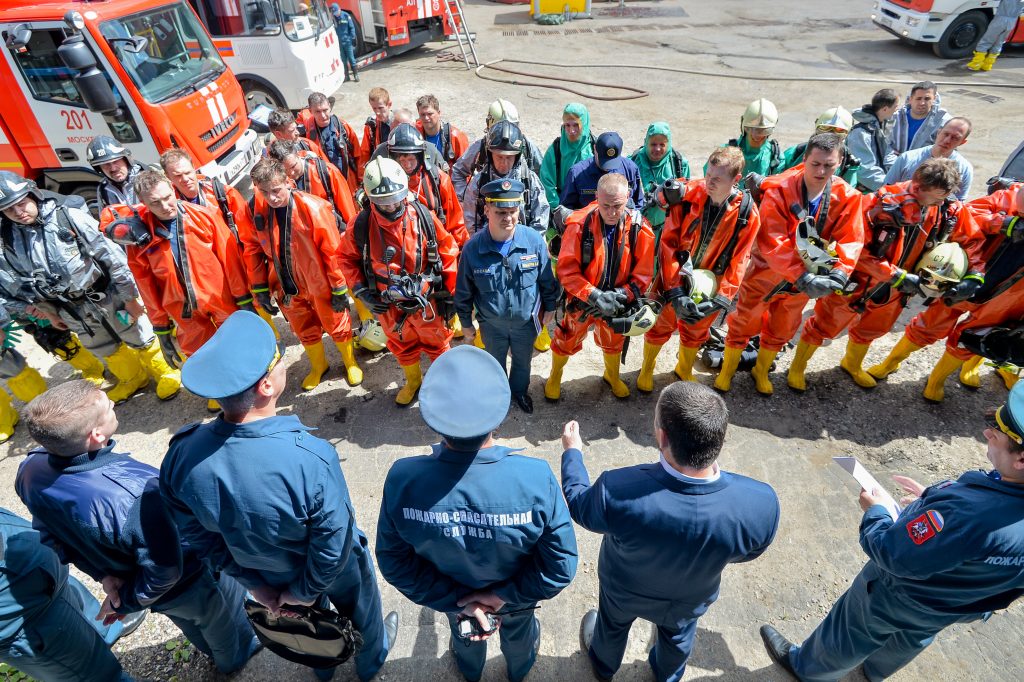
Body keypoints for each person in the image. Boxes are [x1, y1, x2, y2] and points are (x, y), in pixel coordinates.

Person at [160, 311, 398, 682]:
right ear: (266, 386)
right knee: (359, 606)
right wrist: (303, 591)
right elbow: (332, 542)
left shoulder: (180, 455)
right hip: (326, 570)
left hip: (259, 570)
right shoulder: (309, 457)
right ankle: (371, 661)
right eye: (278, 359)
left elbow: (196, 534)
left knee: (306, 623)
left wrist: (254, 583)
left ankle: (324, 669)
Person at [760, 380, 1024, 682]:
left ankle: (810, 670)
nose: (987, 432)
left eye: (997, 431)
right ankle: (875, 671)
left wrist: (877, 511)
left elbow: (891, 553)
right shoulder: (984, 508)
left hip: (900, 596)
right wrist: (938, 506)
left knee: (853, 631)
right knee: (914, 636)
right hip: (960, 604)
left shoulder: (968, 515)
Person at [16, 380, 260, 674]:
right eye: (108, 407)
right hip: (189, 580)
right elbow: (167, 570)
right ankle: (236, 657)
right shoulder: (138, 493)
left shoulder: (29, 470)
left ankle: (211, 649)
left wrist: (105, 574)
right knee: (220, 619)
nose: (114, 405)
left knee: (191, 622)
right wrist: (126, 602)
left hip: (138, 581)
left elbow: (50, 535)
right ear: (96, 435)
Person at [376, 345, 577, 682]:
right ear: (499, 414)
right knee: (519, 635)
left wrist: (458, 602)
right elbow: (561, 566)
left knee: (465, 634)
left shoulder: (403, 479)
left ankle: (470, 670)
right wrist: (501, 596)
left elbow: (394, 562)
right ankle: (520, 669)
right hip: (516, 597)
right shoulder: (535, 477)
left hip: (456, 597)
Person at [564, 382, 779, 682]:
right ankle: (667, 674)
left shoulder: (617, 489)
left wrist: (572, 454)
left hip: (624, 588)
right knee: (678, 636)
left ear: (662, 436)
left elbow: (579, 506)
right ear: (720, 438)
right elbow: (751, 550)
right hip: (691, 595)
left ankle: (603, 666)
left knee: (611, 626)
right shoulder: (760, 502)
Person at [795, 159, 984, 391]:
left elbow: (972, 240)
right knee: (825, 323)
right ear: (917, 187)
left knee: (873, 328)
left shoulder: (947, 209)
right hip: (861, 281)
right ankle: (797, 368)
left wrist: (974, 275)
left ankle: (851, 364)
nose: (940, 202)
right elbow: (854, 249)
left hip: (898, 288)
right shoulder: (878, 205)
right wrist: (896, 276)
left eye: (943, 197)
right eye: (936, 197)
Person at [0, 171, 181, 404]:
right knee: (103, 346)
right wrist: (51, 313)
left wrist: (130, 299)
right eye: (9, 209)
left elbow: (112, 257)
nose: (18, 212)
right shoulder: (9, 241)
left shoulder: (68, 217)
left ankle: (166, 372)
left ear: (33, 195)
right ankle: (132, 378)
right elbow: (27, 282)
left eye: (21, 203)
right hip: (71, 309)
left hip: (107, 294)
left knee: (138, 334)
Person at [714, 133, 864, 395]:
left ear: (839, 163)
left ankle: (761, 370)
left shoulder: (848, 197)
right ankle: (727, 372)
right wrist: (802, 276)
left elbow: (851, 238)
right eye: (815, 164)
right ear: (804, 160)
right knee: (744, 321)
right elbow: (773, 239)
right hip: (767, 273)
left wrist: (840, 274)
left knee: (783, 326)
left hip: (805, 281)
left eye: (828, 165)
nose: (821, 170)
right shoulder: (780, 189)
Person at [869, 181, 1024, 401]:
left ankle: (937, 380)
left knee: (971, 339)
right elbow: (967, 215)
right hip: (962, 278)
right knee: (929, 325)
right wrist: (1003, 222)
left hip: (1006, 297)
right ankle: (889, 363)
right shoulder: (1007, 197)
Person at [120, 170, 252, 410]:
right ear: (144, 204)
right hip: (181, 308)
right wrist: (161, 329)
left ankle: (246, 382)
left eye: (167, 197)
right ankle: (220, 390)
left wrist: (244, 299)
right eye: (155, 203)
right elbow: (146, 285)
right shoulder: (140, 237)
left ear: (172, 188)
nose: (165, 206)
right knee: (200, 352)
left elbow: (229, 258)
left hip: (219, 296)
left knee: (234, 342)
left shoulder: (204, 216)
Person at [338, 158, 459, 405]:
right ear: (370, 199)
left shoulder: (423, 217)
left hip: (427, 301)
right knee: (401, 344)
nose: (392, 205)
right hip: (387, 303)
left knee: (437, 342)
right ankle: (413, 381)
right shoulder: (361, 225)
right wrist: (362, 293)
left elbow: (448, 250)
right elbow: (345, 258)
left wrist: (451, 294)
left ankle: (444, 385)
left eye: (395, 198)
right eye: (383, 201)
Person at [638, 147, 759, 389]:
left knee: (697, 328)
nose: (708, 182)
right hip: (674, 278)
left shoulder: (747, 213)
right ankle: (647, 369)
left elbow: (740, 259)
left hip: (710, 285)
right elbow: (669, 243)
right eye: (708, 174)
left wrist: (722, 299)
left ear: (736, 180)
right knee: (660, 324)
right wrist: (674, 290)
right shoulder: (687, 196)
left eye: (716, 179)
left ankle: (684, 368)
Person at [245, 159, 363, 390]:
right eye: (265, 192)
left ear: (288, 182)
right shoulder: (256, 212)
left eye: (276, 190)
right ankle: (319, 366)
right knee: (303, 327)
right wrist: (259, 289)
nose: (272, 197)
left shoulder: (314, 209)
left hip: (319, 282)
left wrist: (339, 288)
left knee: (336, 322)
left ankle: (350, 362)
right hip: (286, 286)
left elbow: (332, 251)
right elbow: (253, 251)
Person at [0, 506, 144, 682]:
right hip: (26, 617)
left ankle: (105, 631)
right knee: (98, 677)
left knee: (77, 600)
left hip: (41, 572)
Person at [545, 173, 655, 400]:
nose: (612, 212)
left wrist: (618, 296)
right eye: (606, 206)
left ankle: (612, 376)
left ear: (628, 198)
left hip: (617, 304)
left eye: (618, 205)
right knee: (566, 338)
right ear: (596, 197)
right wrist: (593, 295)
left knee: (614, 341)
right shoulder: (578, 224)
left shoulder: (639, 228)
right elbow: (566, 271)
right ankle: (555, 375)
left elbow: (643, 275)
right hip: (582, 301)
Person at [454, 179, 560, 413]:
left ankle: (519, 392)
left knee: (523, 363)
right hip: (492, 326)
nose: (508, 218)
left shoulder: (533, 242)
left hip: (526, 324)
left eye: (513, 211)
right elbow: (463, 291)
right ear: (487, 210)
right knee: (494, 363)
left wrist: (551, 306)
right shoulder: (473, 249)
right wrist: (465, 323)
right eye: (501, 212)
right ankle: (498, 396)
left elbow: (546, 280)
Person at [159, 149, 279, 333]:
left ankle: (271, 339)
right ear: (168, 178)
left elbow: (249, 234)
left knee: (256, 305)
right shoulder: (166, 204)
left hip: (237, 264)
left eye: (187, 172)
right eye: (178, 175)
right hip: (208, 277)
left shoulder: (220, 193)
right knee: (228, 318)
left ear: (194, 168)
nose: (185, 179)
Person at [461, 121, 550, 235]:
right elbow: (472, 223)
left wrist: (530, 243)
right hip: (488, 243)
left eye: (509, 157)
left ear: (517, 156)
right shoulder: (478, 183)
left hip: (524, 243)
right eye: (499, 156)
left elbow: (541, 218)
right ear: (490, 154)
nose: (504, 162)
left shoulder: (529, 180)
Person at [386, 123, 468, 246]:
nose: (407, 165)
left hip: (433, 249)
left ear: (420, 156)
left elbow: (456, 224)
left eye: (411, 160)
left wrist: (463, 253)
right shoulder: (384, 183)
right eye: (402, 161)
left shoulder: (439, 179)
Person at [451, 99, 544, 199]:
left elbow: (542, 175)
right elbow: (459, 171)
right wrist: (464, 199)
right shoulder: (481, 146)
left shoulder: (528, 147)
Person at [267, 139, 357, 223]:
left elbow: (347, 208)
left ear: (298, 155)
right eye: (285, 170)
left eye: (293, 166)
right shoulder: (277, 181)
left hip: (329, 227)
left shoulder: (327, 172)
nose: (291, 173)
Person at [884, 117, 974, 200]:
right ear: (939, 132)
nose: (947, 140)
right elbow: (885, 190)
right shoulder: (907, 158)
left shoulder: (964, 169)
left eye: (955, 138)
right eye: (946, 134)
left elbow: (959, 203)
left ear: (962, 142)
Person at [560, 132, 645, 212]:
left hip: (622, 224)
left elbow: (639, 203)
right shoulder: (576, 173)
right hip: (587, 224)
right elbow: (565, 209)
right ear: (595, 149)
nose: (607, 169)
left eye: (612, 161)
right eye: (603, 160)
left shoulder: (631, 169)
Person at [630, 122, 690, 233]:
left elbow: (687, 198)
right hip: (638, 231)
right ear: (646, 142)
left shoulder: (679, 164)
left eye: (662, 145)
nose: (657, 149)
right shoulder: (632, 162)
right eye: (653, 144)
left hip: (668, 232)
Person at [777, 107, 860, 186]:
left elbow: (848, 191)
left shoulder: (849, 161)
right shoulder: (795, 152)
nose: (830, 134)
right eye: (825, 128)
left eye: (839, 131)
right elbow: (777, 179)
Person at [297, 92, 361, 192]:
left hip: (349, 180)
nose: (323, 115)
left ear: (330, 107)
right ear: (310, 111)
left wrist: (361, 180)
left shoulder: (342, 126)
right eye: (317, 111)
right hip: (326, 183)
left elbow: (358, 154)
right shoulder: (306, 131)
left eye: (325, 110)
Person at [539, 103, 595, 210]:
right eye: (567, 126)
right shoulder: (556, 149)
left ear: (584, 124)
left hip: (590, 208)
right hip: (562, 205)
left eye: (575, 125)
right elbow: (546, 183)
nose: (571, 131)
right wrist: (558, 208)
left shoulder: (594, 148)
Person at [717, 98, 784, 187]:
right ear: (743, 126)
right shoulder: (723, 154)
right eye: (751, 129)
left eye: (763, 131)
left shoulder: (776, 158)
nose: (756, 135)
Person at [848, 88, 900, 192]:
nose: (896, 110)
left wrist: (903, 166)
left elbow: (887, 155)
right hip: (864, 192)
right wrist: (888, 187)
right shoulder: (861, 134)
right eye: (895, 106)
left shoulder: (880, 125)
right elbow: (864, 171)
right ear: (885, 109)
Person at [889, 82, 952, 154]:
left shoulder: (944, 122)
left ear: (934, 99)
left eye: (927, 99)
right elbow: (884, 144)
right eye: (918, 99)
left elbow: (948, 151)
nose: (922, 103)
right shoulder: (894, 117)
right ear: (910, 99)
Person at [86, 135, 147, 209]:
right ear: (99, 169)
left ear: (126, 160)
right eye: (106, 164)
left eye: (116, 161)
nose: (113, 168)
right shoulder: (104, 189)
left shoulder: (147, 178)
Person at [416, 94, 470, 168]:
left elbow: (465, 169)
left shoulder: (456, 136)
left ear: (439, 113)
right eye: (422, 114)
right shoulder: (415, 134)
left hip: (449, 178)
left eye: (430, 114)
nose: (426, 118)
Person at [968, 0, 1022, 70]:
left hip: (1000, 20)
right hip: (1012, 22)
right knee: (999, 43)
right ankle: (988, 65)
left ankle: (976, 64)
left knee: (986, 41)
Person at [361, 87, 395, 176]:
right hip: (380, 170)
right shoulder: (371, 126)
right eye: (374, 108)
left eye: (380, 108)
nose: (377, 112)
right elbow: (365, 153)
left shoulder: (400, 122)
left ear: (389, 104)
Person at [329, 3, 358, 81]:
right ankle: (347, 76)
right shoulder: (333, 19)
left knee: (351, 59)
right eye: (334, 12)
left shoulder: (346, 16)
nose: (336, 14)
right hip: (339, 43)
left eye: (336, 12)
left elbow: (352, 28)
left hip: (347, 41)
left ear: (339, 9)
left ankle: (356, 75)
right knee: (343, 60)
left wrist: (352, 37)